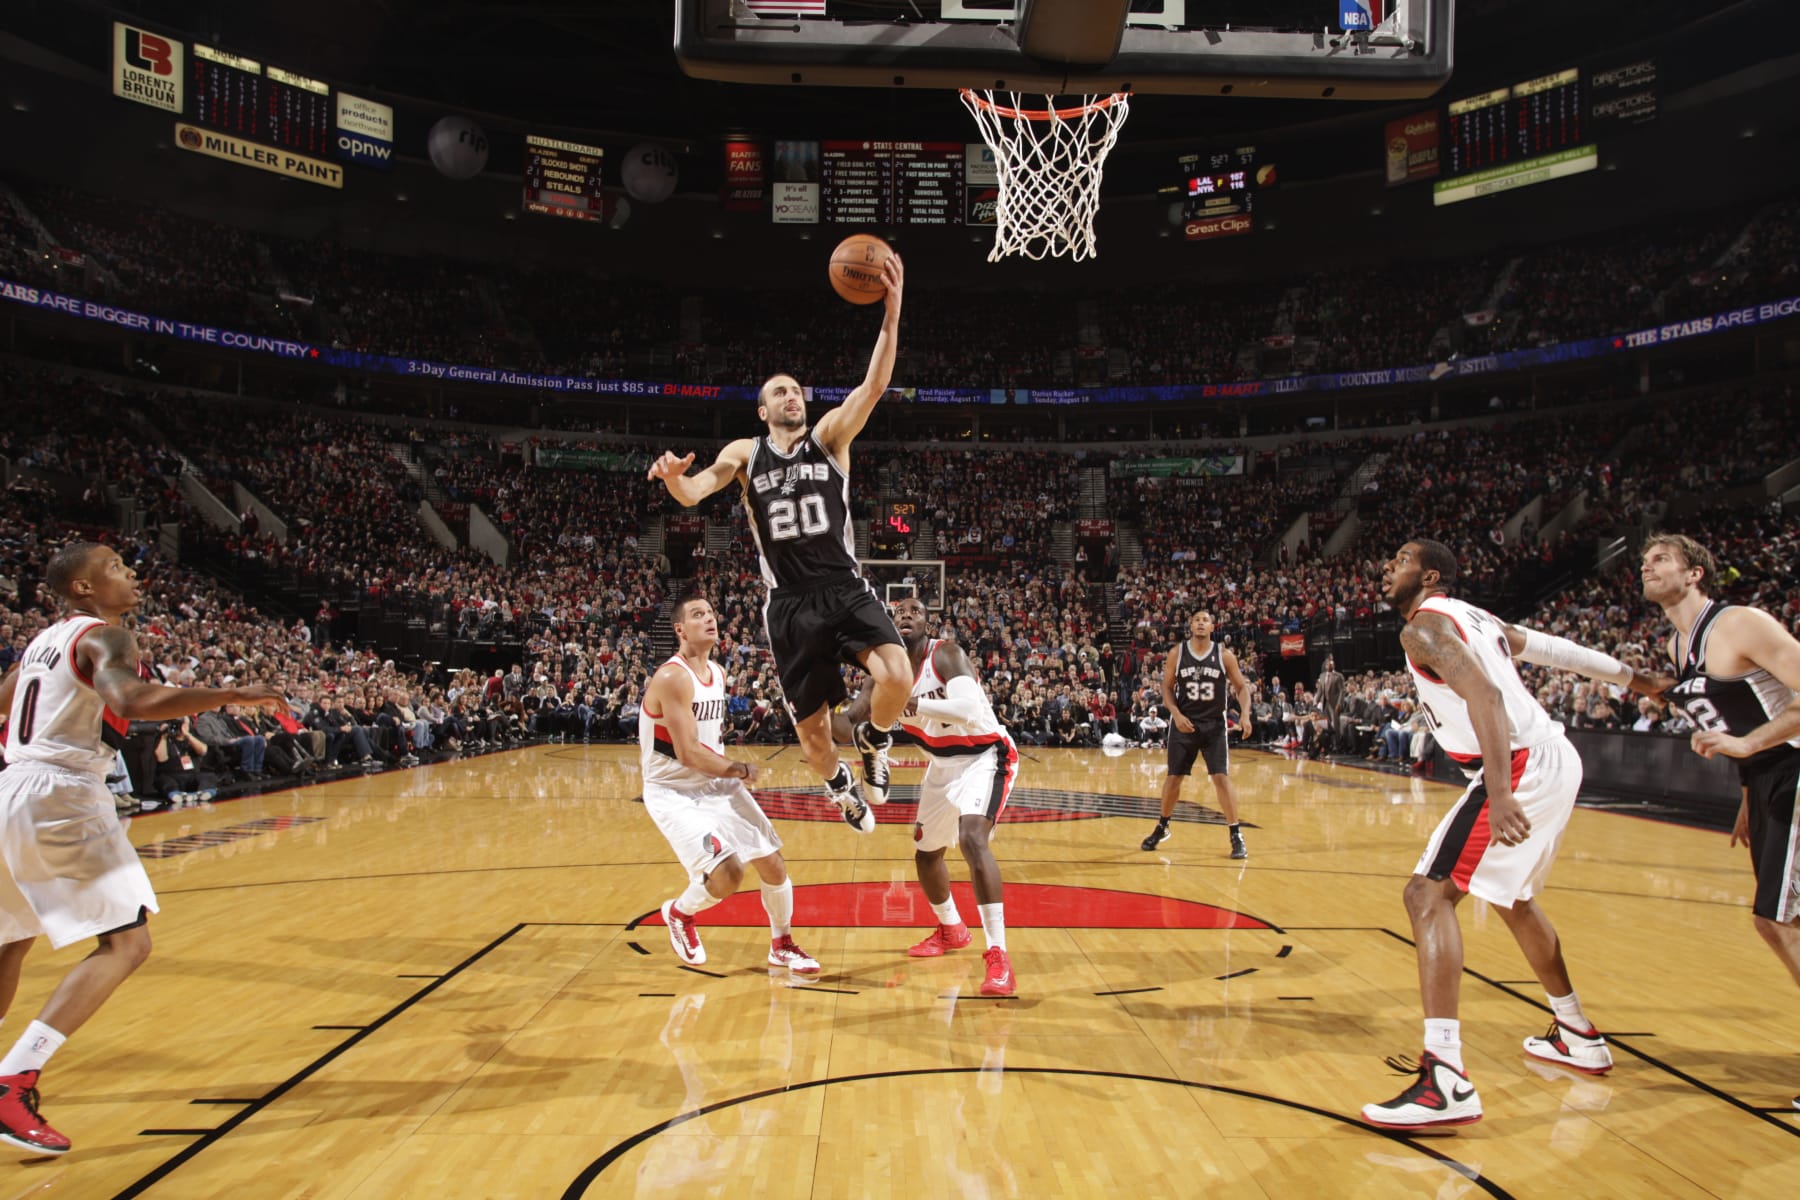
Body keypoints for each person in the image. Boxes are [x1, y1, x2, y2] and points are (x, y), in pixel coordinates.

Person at [1361, 539, 1668, 1130]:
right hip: (1553, 756)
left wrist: (1499, 793)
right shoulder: (1479, 618)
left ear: (1428, 575)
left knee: (1426, 895)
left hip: (1519, 764)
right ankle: (1578, 1033)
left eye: (1397, 560)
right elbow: (1561, 651)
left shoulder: (1423, 628)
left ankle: (1445, 1079)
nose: (1385, 567)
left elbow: (1486, 696)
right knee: (1512, 899)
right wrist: (1637, 680)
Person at [0, 542, 284, 1153]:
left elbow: (4, 703)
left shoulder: (41, 643)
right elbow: (130, 701)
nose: (132, 575)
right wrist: (228, 695)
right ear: (82, 587)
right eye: (116, 568)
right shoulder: (108, 637)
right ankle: (14, 1079)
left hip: (12, 789)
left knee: (10, 940)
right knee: (127, 944)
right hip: (62, 796)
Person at [647, 252, 909, 835]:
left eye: (797, 390)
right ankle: (839, 787)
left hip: (843, 586)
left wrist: (890, 314)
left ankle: (874, 738)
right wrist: (672, 478)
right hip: (789, 603)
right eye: (780, 392)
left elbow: (875, 385)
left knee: (897, 676)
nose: (793, 396)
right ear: (763, 410)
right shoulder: (745, 453)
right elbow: (694, 493)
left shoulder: (830, 438)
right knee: (814, 741)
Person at [1640, 531, 1800, 1112]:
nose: (1647, 567)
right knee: (1784, 919)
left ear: (1696, 573)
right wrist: (1747, 794)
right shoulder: (1681, 643)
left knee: (1777, 920)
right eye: (1643, 562)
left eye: (1660, 559)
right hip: (1769, 779)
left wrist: (1746, 745)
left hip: (1794, 766)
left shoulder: (1738, 623)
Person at [836, 597, 1019, 996]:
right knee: (926, 853)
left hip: (985, 756)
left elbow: (970, 708)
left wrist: (908, 702)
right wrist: (809, 705)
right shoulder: (882, 676)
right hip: (941, 765)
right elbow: (846, 725)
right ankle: (952, 928)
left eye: (915, 612)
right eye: (898, 611)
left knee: (972, 838)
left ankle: (999, 954)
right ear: (888, 623)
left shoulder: (947, 654)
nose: (906, 616)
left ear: (927, 622)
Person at [642, 595, 821, 977]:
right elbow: (688, 752)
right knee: (728, 874)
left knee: (772, 863)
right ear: (680, 630)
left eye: (710, 613)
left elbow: (707, 739)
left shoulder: (719, 673)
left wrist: (726, 770)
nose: (709, 619)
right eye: (698, 615)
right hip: (675, 793)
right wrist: (737, 768)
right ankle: (679, 913)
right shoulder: (672, 676)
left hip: (716, 785)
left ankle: (782, 945)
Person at [1141, 611, 1253, 859]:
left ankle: (1236, 835)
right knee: (1173, 778)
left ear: (1213, 626)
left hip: (1214, 725)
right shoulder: (1177, 653)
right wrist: (1176, 714)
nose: (1201, 623)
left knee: (1221, 778)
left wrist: (1245, 714)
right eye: (1197, 619)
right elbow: (1167, 688)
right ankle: (1162, 826)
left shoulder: (1224, 655)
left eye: (1206, 620)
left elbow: (1242, 687)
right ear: (1191, 625)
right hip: (1184, 724)